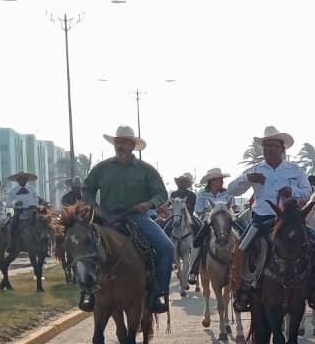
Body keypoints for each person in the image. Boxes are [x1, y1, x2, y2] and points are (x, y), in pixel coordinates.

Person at [228, 125, 315, 311]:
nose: (269, 149)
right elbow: (232, 190)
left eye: (273, 145)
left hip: (290, 221)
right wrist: (248, 179)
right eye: (266, 145)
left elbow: (307, 192)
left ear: (282, 148)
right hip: (261, 220)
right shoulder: (255, 169)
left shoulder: (295, 170)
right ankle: (242, 291)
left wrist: (292, 190)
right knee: (241, 249)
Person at [81, 125, 173, 313]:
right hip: (107, 218)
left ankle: (157, 292)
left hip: (137, 217)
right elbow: (87, 189)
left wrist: (148, 204)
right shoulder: (102, 168)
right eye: (117, 142)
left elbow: (161, 194)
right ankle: (89, 292)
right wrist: (94, 206)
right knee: (83, 246)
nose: (120, 146)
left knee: (167, 247)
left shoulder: (146, 170)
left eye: (124, 143)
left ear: (132, 145)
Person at [186, 168, 236, 286]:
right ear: (212, 181)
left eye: (222, 179)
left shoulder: (227, 193)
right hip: (209, 221)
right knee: (198, 242)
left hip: (226, 221)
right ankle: (193, 269)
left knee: (241, 236)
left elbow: (233, 206)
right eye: (219, 179)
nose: (222, 181)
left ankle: (241, 266)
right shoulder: (202, 194)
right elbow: (198, 210)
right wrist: (210, 212)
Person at [4, 171, 43, 255]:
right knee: (14, 223)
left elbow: (36, 200)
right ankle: (12, 243)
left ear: (27, 180)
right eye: (21, 179)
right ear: (18, 180)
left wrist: (34, 205)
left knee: (42, 222)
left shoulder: (32, 189)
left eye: (24, 179)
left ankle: (44, 244)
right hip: (19, 211)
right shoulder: (13, 190)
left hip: (32, 210)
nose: (23, 180)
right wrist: (15, 204)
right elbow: (8, 203)